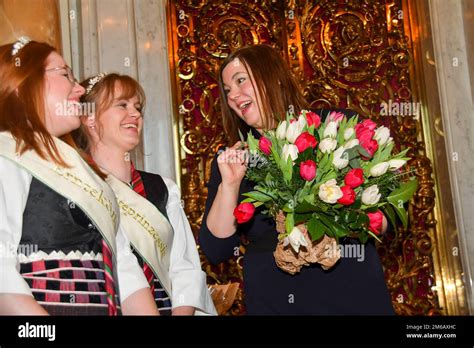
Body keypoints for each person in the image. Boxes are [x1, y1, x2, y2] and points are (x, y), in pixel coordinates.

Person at [199, 44, 395, 315]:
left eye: (240, 80)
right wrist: (230, 185)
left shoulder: (338, 127)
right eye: (228, 90)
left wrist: (338, 219)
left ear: (274, 77)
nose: (233, 95)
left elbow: (389, 212)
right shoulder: (235, 159)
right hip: (276, 302)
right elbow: (217, 250)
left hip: (352, 293)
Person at [0, 38, 158, 315]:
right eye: (64, 74)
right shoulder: (7, 155)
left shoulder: (87, 172)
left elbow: (124, 266)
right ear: (24, 81)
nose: (80, 88)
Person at [74, 73, 216, 315]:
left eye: (137, 107)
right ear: (90, 118)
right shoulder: (79, 189)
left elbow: (185, 268)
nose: (136, 114)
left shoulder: (163, 188)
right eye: (122, 105)